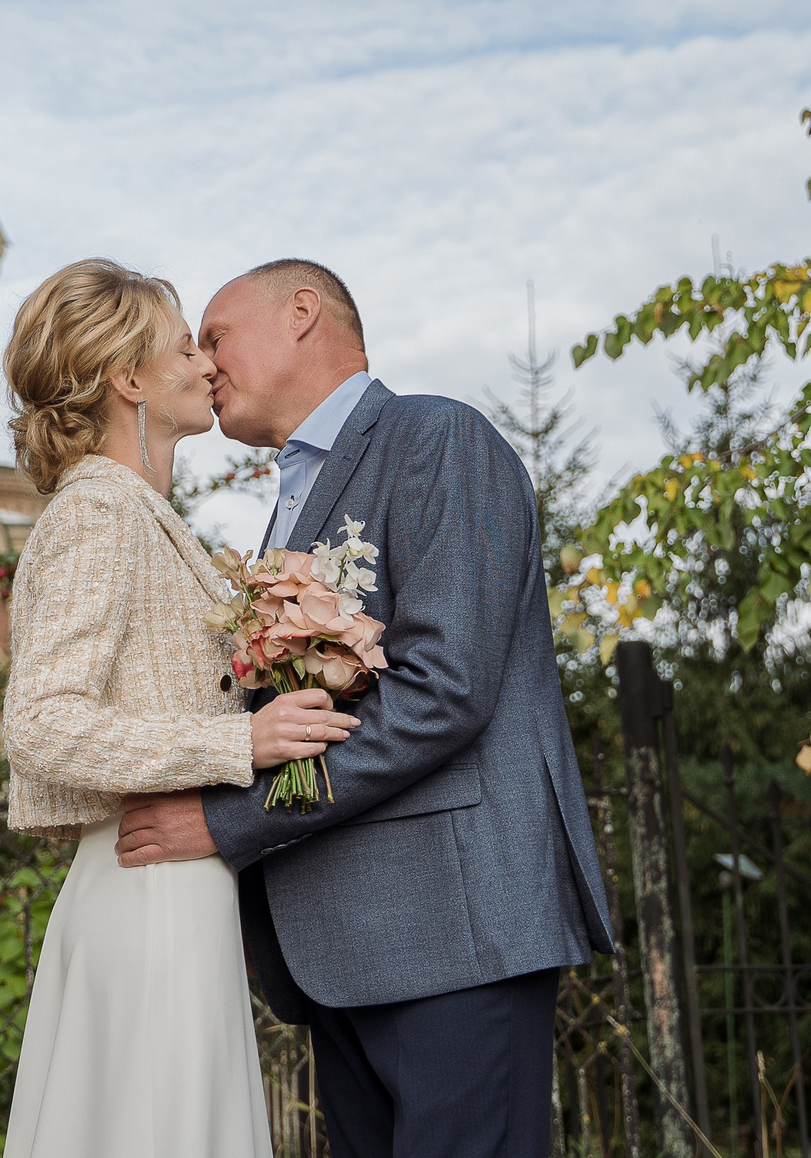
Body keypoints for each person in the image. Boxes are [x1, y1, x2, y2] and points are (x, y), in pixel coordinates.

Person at [116, 258, 615, 1158]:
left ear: (302, 311)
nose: (202, 362)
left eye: (216, 335)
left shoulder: (436, 438)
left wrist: (228, 825)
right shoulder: (290, 505)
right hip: (340, 951)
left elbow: (443, 689)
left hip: (453, 931)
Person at [0, 258, 361, 1158]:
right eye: (182, 347)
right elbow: (41, 721)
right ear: (129, 380)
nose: (206, 364)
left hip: (179, 894)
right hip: (145, 895)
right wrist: (243, 738)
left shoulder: (142, 515)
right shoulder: (98, 514)